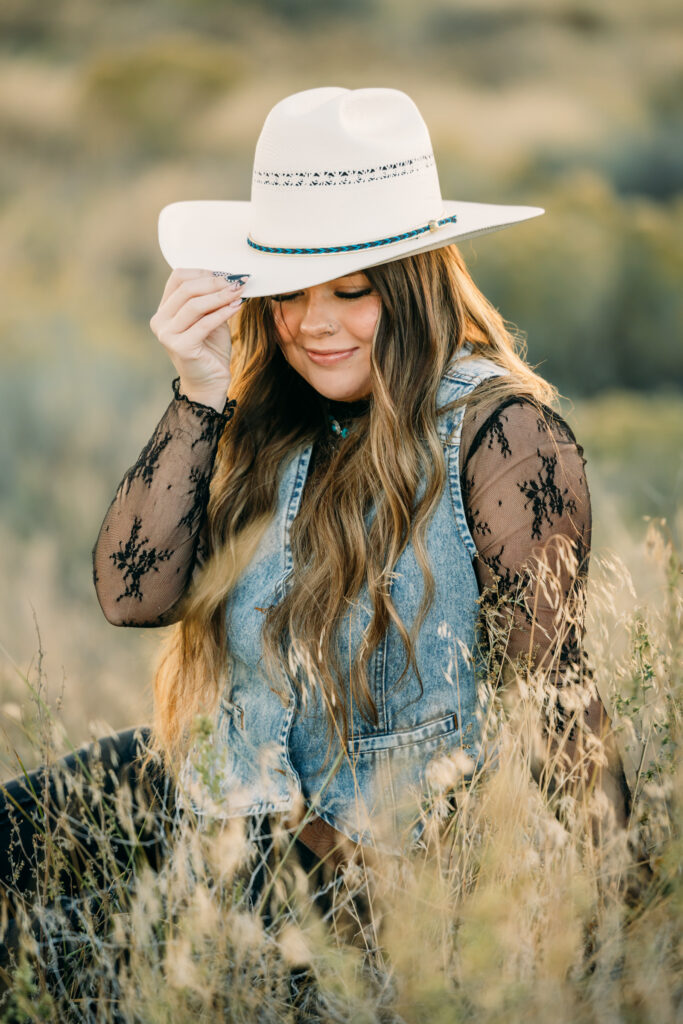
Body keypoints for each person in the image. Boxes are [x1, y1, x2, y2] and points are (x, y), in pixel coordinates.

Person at [1, 88, 632, 985]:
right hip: (220, 797)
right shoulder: (271, 421)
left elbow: (557, 701)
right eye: (287, 292)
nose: (311, 324)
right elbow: (132, 596)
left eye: (351, 291)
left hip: (354, 877)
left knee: (59, 968)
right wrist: (199, 392)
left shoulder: (502, 438)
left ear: (415, 284)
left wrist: (611, 936)